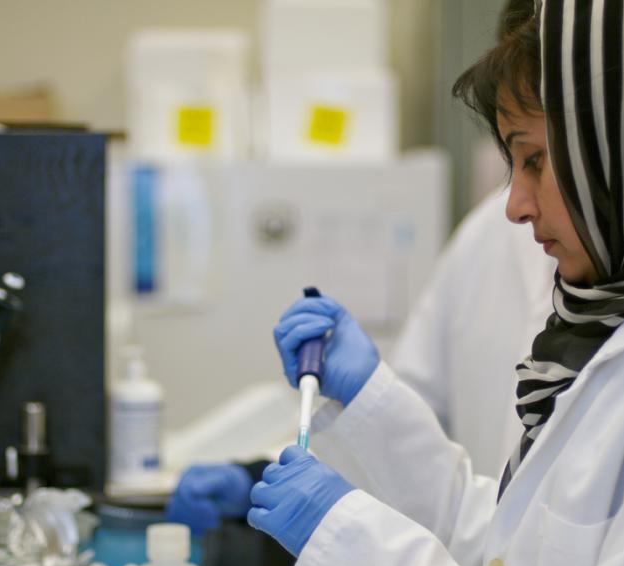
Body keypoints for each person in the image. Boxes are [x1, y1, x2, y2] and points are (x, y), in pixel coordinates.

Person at [249, 1, 624, 566]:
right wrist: (371, 400)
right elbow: (512, 548)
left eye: (535, 159)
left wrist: (348, 536)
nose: (515, 206)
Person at [166, 0, 556, 532]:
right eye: (519, 158)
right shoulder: (490, 233)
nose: (518, 204)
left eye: (535, 158)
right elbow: (411, 440)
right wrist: (261, 474)